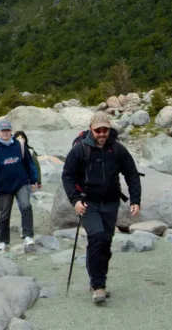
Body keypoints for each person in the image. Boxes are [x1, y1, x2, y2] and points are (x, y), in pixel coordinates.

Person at [61, 111, 142, 304]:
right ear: (91, 129)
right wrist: (75, 200)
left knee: (104, 243)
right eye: (98, 130)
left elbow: (132, 174)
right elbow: (68, 176)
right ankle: (98, 286)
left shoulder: (117, 149)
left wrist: (135, 200)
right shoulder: (80, 149)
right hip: (89, 203)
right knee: (96, 236)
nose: (102, 134)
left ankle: (96, 279)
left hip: (111, 202)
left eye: (105, 129)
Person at [0, 120, 39, 253]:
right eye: (3, 131)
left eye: (8, 130)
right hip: (4, 186)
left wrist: (33, 181)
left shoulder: (20, 145)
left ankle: (28, 236)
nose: (5, 133)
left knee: (26, 206)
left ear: (11, 131)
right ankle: (3, 241)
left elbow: (29, 164)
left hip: (21, 182)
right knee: (5, 214)